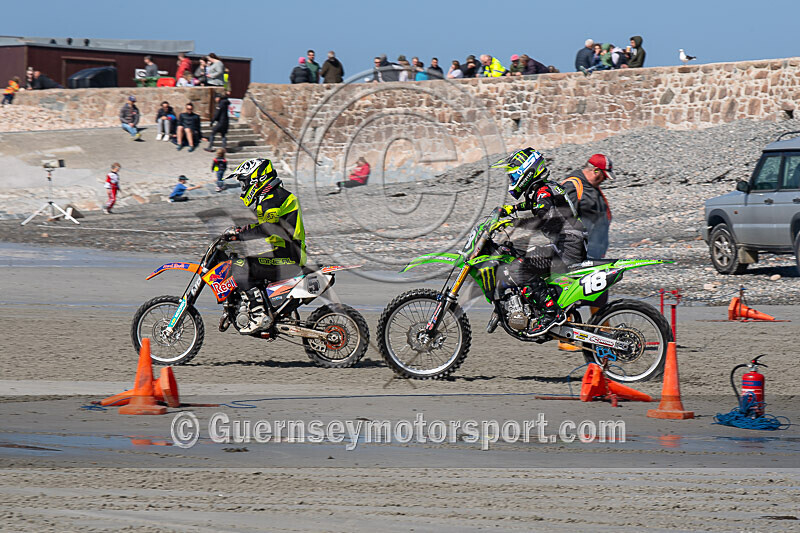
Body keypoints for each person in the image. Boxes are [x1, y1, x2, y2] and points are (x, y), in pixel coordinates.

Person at [491, 148, 587, 337]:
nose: (511, 180)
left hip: (568, 248)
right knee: (518, 255)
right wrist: (511, 209)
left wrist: (512, 223)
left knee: (519, 268)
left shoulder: (543, 191)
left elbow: (543, 216)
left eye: (513, 176)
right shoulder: (544, 189)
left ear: (526, 172)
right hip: (568, 244)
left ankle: (551, 313)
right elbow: (536, 204)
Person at [221, 158, 307, 334]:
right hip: (285, 253)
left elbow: (268, 229)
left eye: (244, 182)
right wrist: (242, 230)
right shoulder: (271, 197)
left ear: (256, 179)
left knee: (240, 265)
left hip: (289, 256)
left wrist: (239, 235)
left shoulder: (273, 198)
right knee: (245, 260)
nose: (243, 187)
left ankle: (258, 314)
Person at [561, 154, 614, 260]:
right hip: (579, 254)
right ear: (595, 171)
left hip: (593, 253)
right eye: (604, 176)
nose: (604, 180)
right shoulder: (573, 186)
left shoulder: (592, 187)